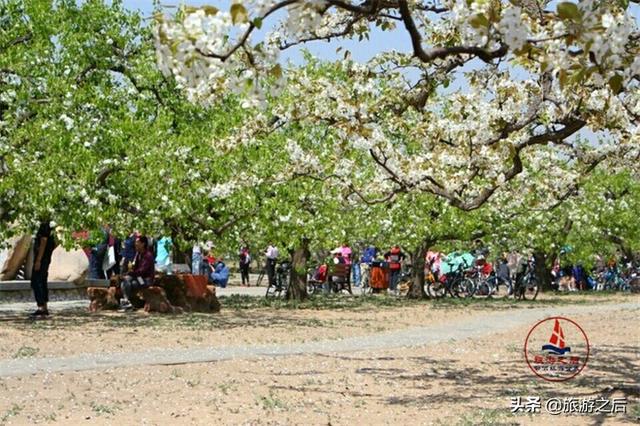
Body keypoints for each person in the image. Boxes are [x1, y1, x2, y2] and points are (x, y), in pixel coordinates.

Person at [29, 220, 57, 318]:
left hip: (42, 258)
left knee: (36, 281)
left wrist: (39, 260)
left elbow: (43, 240)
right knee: (42, 280)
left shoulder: (44, 224)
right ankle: (44, 307)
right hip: (45, 257)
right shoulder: (50, 225)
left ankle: (41, 307)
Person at [119, 236, 154, 310]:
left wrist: (130, 274)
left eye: (137, 242)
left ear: (143, 244)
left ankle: (127, 302)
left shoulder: (148, 255)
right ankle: (127, 301)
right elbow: (136, 269)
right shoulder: (138, 254)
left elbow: (141, 271)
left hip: (146, 280)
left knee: (132, 283)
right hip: (139, 277)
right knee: (126, 281)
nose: (135, 244)